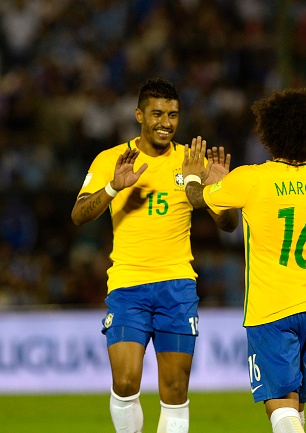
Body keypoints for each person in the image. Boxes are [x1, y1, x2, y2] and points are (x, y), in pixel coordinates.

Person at [71, 77, 238, 433]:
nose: (166, 122)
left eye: (173, 115)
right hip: (128, 283)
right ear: (139, 115)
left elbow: (228, 225)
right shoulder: (112, 159)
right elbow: (79, 215)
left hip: (177, 286)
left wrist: (214, 189)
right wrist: (114, 186)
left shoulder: (191, 161)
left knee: (175, 390)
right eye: (158, 113)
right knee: (126, 382)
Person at [180, 88, 306, 433]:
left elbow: (198, 200)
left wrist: (195, 176)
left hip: (271, 310)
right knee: (296, 403)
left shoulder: (251, 178)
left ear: (269, 133)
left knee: (279, 405)